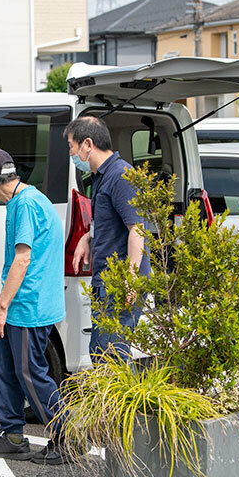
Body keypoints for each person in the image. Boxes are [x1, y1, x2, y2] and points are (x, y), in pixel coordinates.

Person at [0, 147, 70, 465]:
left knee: (30, 372)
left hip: (28, 306)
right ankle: (12, 436)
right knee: (5, 369)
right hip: (27, 304)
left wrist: (0, 306)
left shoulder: (25, 205)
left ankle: (67, 438)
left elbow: (22, 258)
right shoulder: (26, 199)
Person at [66, 116, 149, 361]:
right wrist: (87, 238)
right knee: (102, 352)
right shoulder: (102, 176)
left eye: (72, 146)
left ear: (87, 144)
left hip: (120, 281)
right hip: (107, 279)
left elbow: (137, 229)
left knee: (111, 355)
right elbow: (110, 221)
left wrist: (131, 278)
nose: (71, 153)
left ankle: (125, 401)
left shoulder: (121, 175)